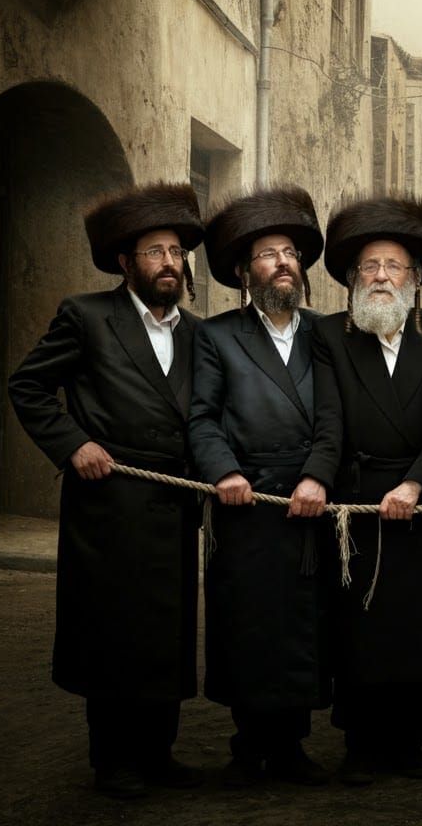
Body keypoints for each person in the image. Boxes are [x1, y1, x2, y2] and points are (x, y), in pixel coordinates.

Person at [8, 182, 204, 799]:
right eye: (155, 252)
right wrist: (73, 444)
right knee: (115, 630)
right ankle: (114, 759)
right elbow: (28, 386)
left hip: (174, 500)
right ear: (125, 262)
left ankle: (158, 753)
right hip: (109, 502)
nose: (169, 262)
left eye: (176, 252)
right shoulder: (86, 316)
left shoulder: (198, 333)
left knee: (167, 631)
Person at [300, 194, 422, 786]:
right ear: (351, 278)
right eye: (370, 266)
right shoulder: (330, 336)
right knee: (358, 626)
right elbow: (329, 419)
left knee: (415, 624)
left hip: (421, 500)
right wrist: (318, 476)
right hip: (356, 503)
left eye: (394, 266)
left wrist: (416, 482)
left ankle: (409, 741)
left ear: (415, 279)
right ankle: (361, 744)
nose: (382, 276)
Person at [188, 185, 330, 787]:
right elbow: (201, 417)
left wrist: (318, 475)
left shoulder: (325, 333)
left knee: (301, 625)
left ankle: (292, 747)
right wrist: (224, 472)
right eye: (269, 254)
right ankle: (248, 747)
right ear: (245, 273)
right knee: (247, 626)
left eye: (291, 253)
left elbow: (335, 418)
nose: (283, 262)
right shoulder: (216, 335)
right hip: (244, 504)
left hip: (307, 503)